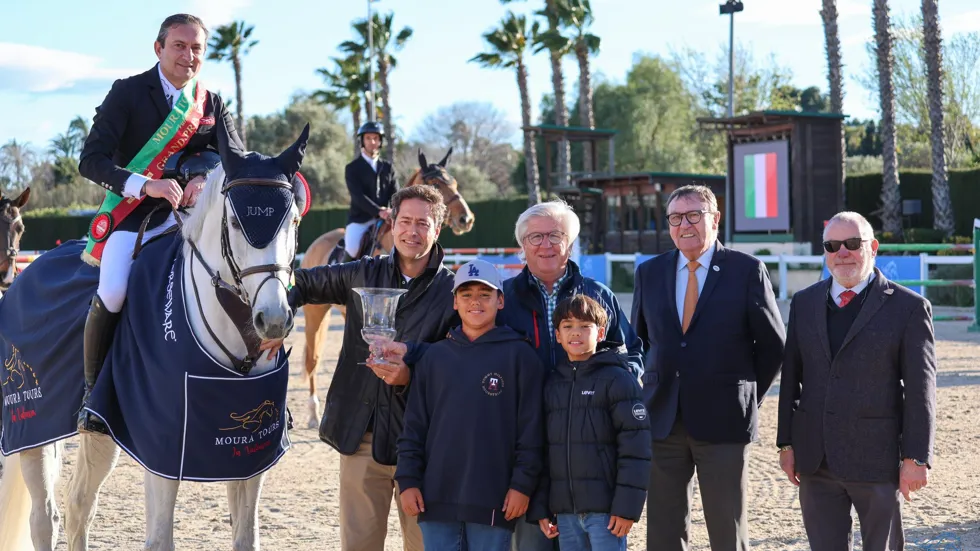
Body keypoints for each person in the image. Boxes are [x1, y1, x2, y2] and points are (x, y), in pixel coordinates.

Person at [260, 185, 457, 551]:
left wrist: (412, 372)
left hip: (428, 445)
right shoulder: (361, 272)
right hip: (362, 437)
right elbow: (300, 281)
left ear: (438, 229)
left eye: (423, 223)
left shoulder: (454, 291)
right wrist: (279, 321)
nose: (412, 231)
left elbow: (460, 362)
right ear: (392, 223)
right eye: (405, 221)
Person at [75, 13, 244, 434]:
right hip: (133, 216)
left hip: (191, 218)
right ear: (159, 48)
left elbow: (236, 159)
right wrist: (144, 184)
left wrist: (206, 177)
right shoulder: (128, 92)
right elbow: (91, 160)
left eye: (196, 48)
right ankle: (93, 396)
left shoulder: (210, 103)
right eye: (179, 46)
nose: (189, 56)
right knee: (113, 291)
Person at [631, 184, 785, 551]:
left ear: (715, 219)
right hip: (663, 420)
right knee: (663, 533)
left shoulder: (746, 271)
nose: (684, 225)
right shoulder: (649, 272)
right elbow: (640, 342)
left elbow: (773, 346)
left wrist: (744, 395)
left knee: (727, 530)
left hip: (724, 421)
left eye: (693, 215)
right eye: (675, 218)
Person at [776, 211, 936, 551]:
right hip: (815, 460)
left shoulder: (909, 307)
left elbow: (921, 391)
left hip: (877, 460)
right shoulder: (804, 303)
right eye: (832, 246)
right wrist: (786, 445)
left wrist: (916, 458)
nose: (842, 253)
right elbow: (791, 379)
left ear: (872, 247)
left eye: (852, 243)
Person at [499, 198, 644, 551]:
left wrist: (605, 390)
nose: (545, 245)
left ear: (570, 242)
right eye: (535, 237)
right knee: (532, 542)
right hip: (527, 442)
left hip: (589, 446)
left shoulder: (598, 295)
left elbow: (631, 355)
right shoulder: (503, 300)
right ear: (522, 245)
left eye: (555, 235)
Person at [395, 259, 546, 550]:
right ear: (455, 302)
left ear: (500, 301)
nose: (475, 302)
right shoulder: (434, 358)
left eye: (485, 294)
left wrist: (522, 485)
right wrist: (408, 480)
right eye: (466, 294)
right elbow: (413, 428)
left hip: (494, 500)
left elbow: (532, 432)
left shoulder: (521, 357)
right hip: (436, 499)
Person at [528, 294, 651, 551]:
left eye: (585, 326)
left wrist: (626, 508)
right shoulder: (552, 384)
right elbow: (545, 451)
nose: (576, 332)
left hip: (606, 515)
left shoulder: (618, 380)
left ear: (601, 333)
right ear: (558, 335)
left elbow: (636, 450)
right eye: (568, 326)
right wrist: (542, 506)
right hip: (565, 514)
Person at [344, 121, 399, 260]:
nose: (372, 142)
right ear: (362, 141)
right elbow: (358, 196)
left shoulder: (388, 167)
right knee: (352, 248)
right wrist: (378, 211)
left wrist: (393, 210)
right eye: (368, 138)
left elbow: (396, 194)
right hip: (360, 220)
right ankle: (345, 273)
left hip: (386, 219)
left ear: (380, 141)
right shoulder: (352, 168)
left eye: (375, 138)